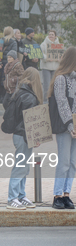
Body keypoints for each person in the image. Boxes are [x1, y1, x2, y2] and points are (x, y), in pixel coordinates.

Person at [4, 67, 42, 210]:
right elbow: (30, 121)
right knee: (21, 167)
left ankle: (20, 195)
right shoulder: (30, 96)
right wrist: (34, 137)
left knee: (23, 166)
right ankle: (13, 197)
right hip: (24, 135)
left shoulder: (19, 93)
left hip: (19, 135)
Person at [48, 46, 76, 210]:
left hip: (75, 126)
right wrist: (70, 125)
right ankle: (57, 195)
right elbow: (62, 103)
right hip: (65, 127)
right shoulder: (60, 79)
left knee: (73, 163)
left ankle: (66, 194)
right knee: (64, 162)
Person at [0, 26, 18, 103]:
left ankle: (0, 98)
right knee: (8, 80)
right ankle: (6, 98)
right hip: (9, 64)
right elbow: (14, 53)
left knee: (1, 81)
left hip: (1, 63)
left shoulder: (0, 41)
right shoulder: (13, 42)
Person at [40, 30, 61, 102]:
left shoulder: (58, 45)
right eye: (49, 34)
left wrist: (59, 59)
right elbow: (41, 54)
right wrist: (47, 58)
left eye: (52, 34)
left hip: (55, 67)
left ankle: (53, 101)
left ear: (55, 36)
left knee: (54, 85)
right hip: (46, 67)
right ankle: (46, 101)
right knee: (47, 85)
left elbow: (61, 55)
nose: (51, 36)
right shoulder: (43, 44)